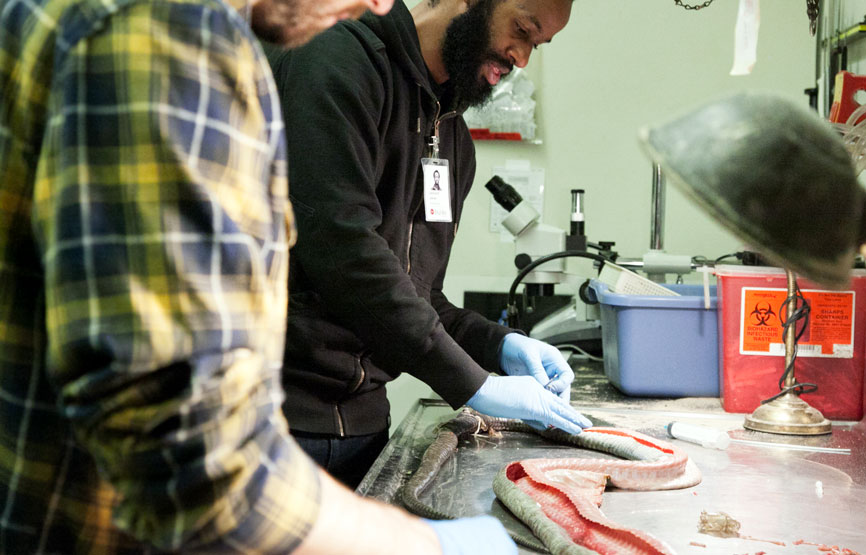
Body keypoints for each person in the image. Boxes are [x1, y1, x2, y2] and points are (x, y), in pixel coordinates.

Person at [0, 0, 517, 552]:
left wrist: (496, 346)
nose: (382, 5)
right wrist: (420, 545)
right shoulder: (166, 33)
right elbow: (190, 459)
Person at [262, 0, 586, 490]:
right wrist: (475, 386)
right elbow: (344, 251)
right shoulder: (337, 61)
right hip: (273, 422)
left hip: (364, 430)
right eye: (521, 30)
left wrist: (497, 346)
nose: (521, 59)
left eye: (535, 47)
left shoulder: (454, 139)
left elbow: (420, 294)